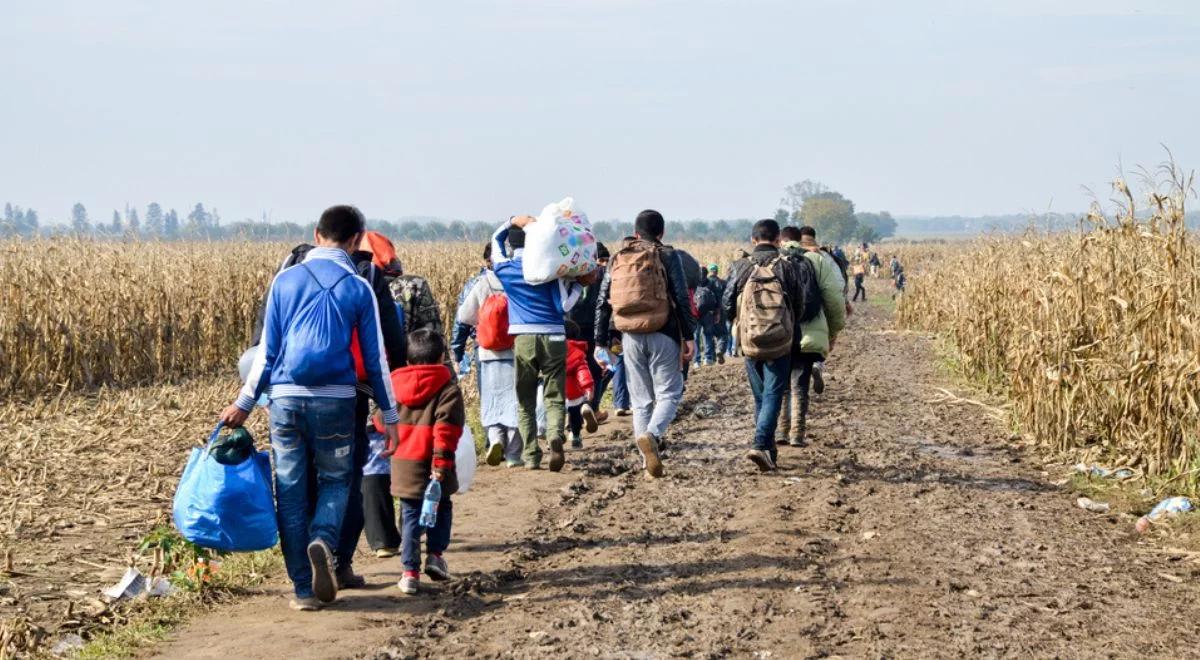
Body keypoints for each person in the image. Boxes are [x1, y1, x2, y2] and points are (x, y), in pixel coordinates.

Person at [222, 205, 401, 611]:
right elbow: (377, 361)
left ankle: (303, 590)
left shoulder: (285, 281)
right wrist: (389, 417)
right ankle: (323, 539)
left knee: (289, 492)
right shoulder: (359, 287)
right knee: (337, 481)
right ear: (357, 241)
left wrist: (244, 404)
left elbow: (266, 351)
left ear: (317, 234)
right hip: (337, 401)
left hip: (285, 400)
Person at [595, 209, 695, 478]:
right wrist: (689, 336)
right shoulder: (668, 255)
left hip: (629, 335)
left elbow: (603, 301)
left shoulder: (618, 257)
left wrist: (600, 341)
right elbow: (682, 299)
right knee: (669, 393)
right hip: (664, 332)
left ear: (636, 233)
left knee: (640, 401)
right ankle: (652, 434)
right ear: (661, 233)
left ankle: (645, 461)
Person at [491, 216, 588, 472]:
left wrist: (511, 221)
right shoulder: (549, 268)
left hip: (523, 337)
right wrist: (577, 286)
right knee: (555, 394)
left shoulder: (506, 269)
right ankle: (556, 434)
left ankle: (532, 455)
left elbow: (495, 242)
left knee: (524, 400)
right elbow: (564, 306)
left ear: (512, 246)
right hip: (555, 336)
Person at [382, 329, 465, 596]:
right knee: (441, 509)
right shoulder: (448, 389)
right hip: (435, 465)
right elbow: (446, 429)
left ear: (407, 360)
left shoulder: (393, 386)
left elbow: (380, 420)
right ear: (442, 357)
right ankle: (436, 556)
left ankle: (409, 573)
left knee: (409, 518)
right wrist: (441, 462)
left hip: (404, 464)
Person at [723, 219, 809, 471]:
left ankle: (768, 449)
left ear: (753, 240)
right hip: (781, 340)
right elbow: (800, 303)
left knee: (761, 395)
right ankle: (762, 444)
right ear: (777, 240)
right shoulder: (787, 266)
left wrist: (740, 324)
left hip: (750, 341)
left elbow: (727, 301)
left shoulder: (740, 266)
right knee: (773, 393)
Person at [777, 225, 847, 446]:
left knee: (782, 384)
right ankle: (797, 433)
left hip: (779, 331)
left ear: (782, 240)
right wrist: (833, 330)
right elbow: (834, 298)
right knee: (800, 384)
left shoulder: (775, 260)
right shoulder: (818, 261)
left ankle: (781, 430)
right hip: (810, 332)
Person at [456, 242, 524, 467]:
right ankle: (514, 455)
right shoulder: (516, 281)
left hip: (486, 352)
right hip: (514, 350)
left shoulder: (481, 283)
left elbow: (464, 316)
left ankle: (495, 439)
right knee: (514, 401)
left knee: (491, 399)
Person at [568, 242, 612, 426]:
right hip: (594, 329)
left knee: (573, 370)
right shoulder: (601, 275)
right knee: (596, 370)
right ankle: (591, 407)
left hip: (571, 328)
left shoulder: (570, 273)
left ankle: (572, 418)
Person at [564, 321, 597, 448]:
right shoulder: (578, 352)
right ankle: (576, 436)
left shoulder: (553, 351)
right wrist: (588, 387)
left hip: (556, 390)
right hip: (574, 393)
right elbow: (582, 371)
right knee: (574, 416)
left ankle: (554, 436)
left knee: (555, 415)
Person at [691, 270, 719, 368]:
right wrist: (717, 313)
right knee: (708, 335)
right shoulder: (711, 283)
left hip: (695, 313)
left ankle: (696, 360)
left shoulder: (692, 282)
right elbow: (718, 299)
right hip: (708, 314)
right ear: (706, 273)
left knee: (696, 336)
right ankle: (708, 358)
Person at [704, 264, 728, 364]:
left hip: (706, 313)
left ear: (709, 271)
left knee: (708, 335)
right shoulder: (723, 282)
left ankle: (710, 358)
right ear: (717, 271)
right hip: (720, 312)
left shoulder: (704, 282)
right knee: (723, 334)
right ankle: (720, 350)